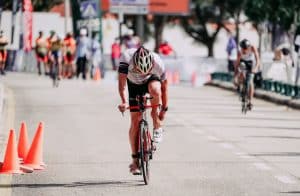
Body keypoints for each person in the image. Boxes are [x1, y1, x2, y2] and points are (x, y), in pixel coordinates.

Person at [118, 46, 168, 175]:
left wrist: (163, 109)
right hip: (133, 84)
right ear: (134, 64)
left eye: (146, 70)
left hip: (151, 80)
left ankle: (156, 123)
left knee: (155, 90)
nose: (142, 73)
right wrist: (124, 101)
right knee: (135, 121)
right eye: (140, 70)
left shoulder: (158, 62)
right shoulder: (126, 59)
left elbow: (164, 88)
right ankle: (135, 161)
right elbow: (122, 84)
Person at [235, 39, 260, 110]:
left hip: (251, 63)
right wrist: (236, 75)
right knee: (241, 70)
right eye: (243, 49)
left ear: (249, 47)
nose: (245, 50)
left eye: (246, 49)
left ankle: (250, 101)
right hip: (243, 63)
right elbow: (237, 64)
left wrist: (255, 68)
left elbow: (258, 60)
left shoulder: (253, 48)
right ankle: (241, 86)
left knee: (250, 81)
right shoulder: (240, 52)